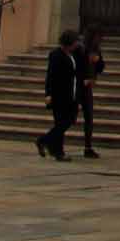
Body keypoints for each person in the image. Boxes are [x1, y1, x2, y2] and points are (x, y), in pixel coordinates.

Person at [37, 29, 79, 161]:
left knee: (65, 121)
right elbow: (51, 75)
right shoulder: (56, 55)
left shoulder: (71, 55)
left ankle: (54, 148)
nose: (76, 45)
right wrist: (48, 93)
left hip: (70, 94)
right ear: (69, 42)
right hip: (59, 95)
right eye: (75, 42)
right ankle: (47, 142)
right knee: (63, 122)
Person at [74, 28, 105, 159]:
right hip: (77, 87)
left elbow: (101, 67)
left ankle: (88, 147)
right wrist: (83, 80)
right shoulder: (79, 49)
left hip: (88, 88)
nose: (99, 40)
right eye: (98, 37)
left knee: (89, 118)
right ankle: (53, 142)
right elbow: (73, 68)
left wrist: (98, 61)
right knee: (69, 118)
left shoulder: (96, 50)